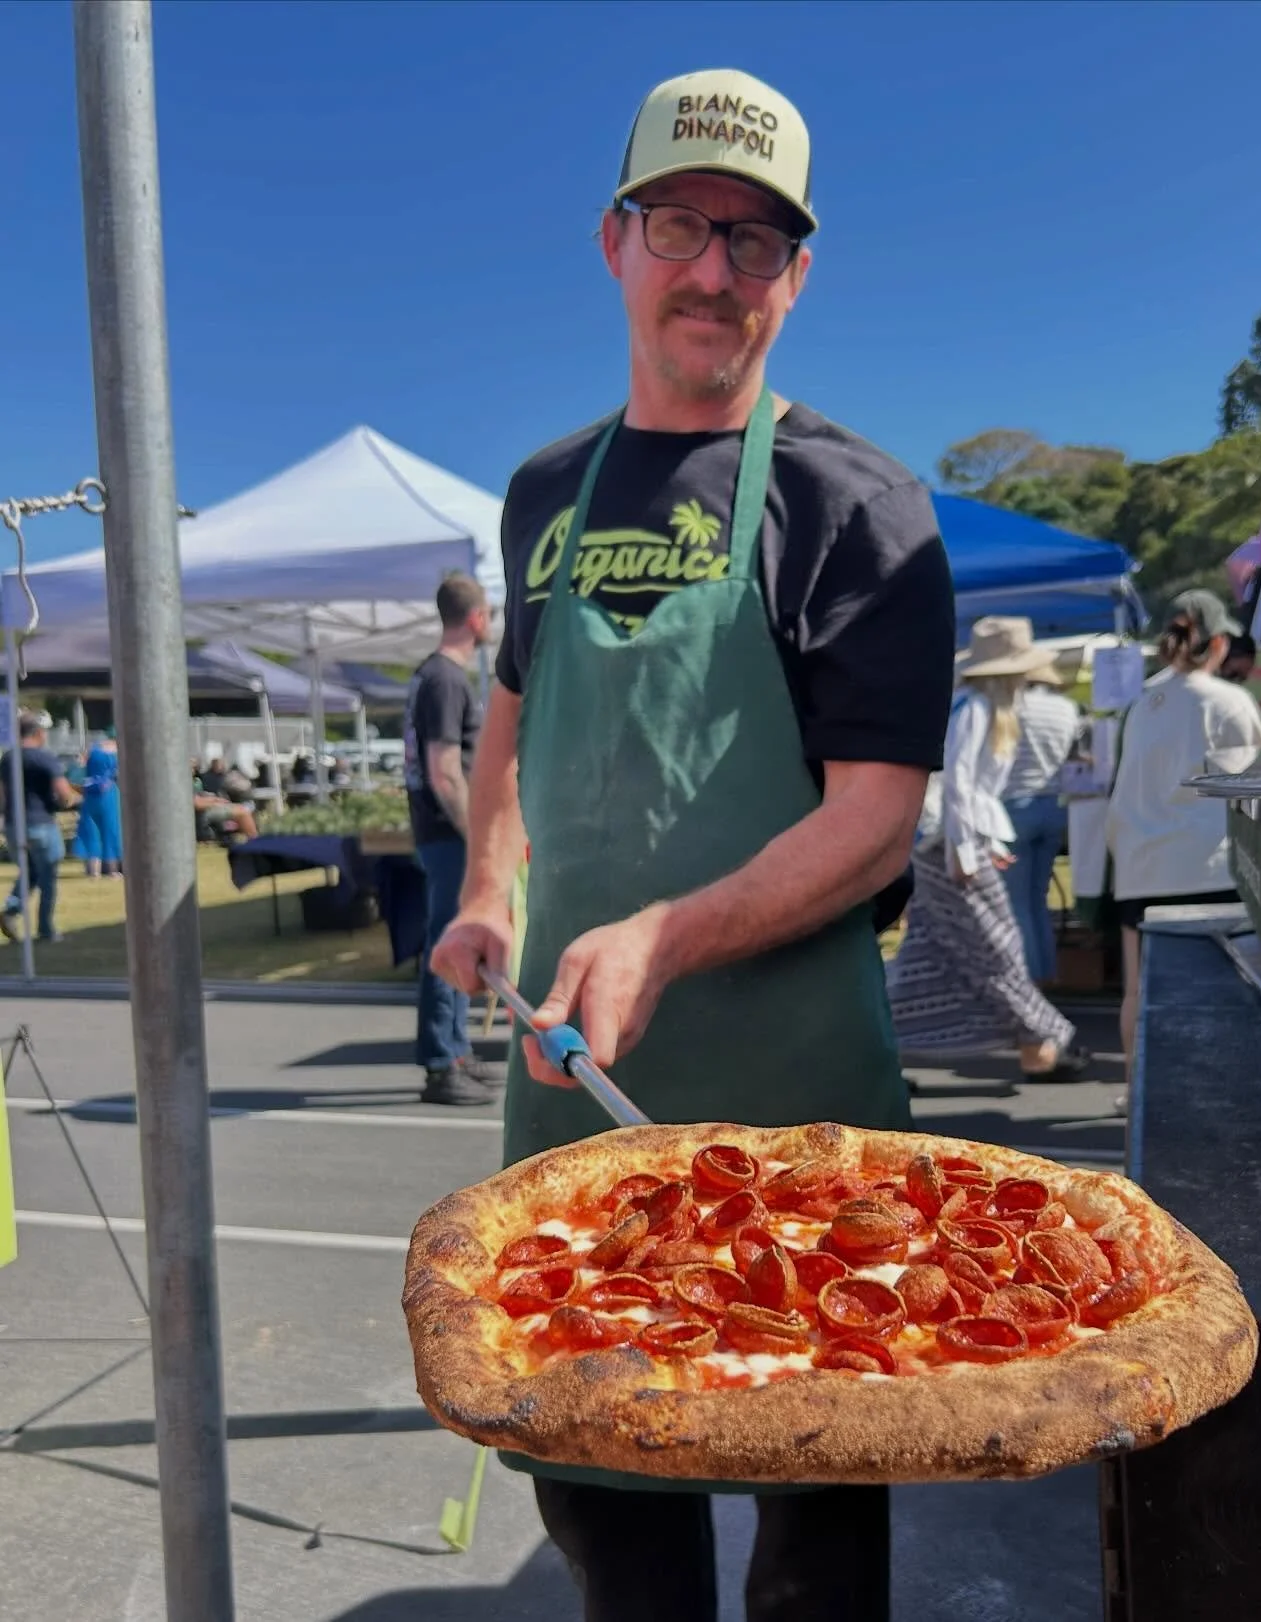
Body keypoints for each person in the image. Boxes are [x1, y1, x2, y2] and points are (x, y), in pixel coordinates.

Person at [430, 67, 953, 1622]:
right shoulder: (544, 494)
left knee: (814, 1540)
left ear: (800, 274)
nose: (715, 271)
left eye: (757, 241)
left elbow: (874, 824)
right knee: (609, 1518)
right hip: (579, 1123)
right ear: (615, 240)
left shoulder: (859, 504)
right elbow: (510, 727)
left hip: (805, 1132)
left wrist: (657, 935)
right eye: (680, 226)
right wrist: (485, 888)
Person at [887, 618, 1088, 1078]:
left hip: (950, 844)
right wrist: (967, 850)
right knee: (994, 947)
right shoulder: (976, 709)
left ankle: (881, 1051)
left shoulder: (980, 708)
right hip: (946, 847)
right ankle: (1042, 1039)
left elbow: (968, 791)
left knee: (932, 953)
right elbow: (959, 786)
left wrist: (980, 843)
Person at [1106, 590, 1261, 1074]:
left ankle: (1137, 1089)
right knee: (1229, 988)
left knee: (1138, 990)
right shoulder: (1228, 701)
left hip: (1141, 865)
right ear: (1218, 643)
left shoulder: (1142, 702)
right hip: (1210, 865)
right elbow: (1256, 787)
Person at [404, 573, 500, 1107]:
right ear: (476, 618)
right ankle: (442, 1062)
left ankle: (455, 1052)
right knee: (450, 944)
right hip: (449, 833)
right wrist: (479, 838)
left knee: (456, 941)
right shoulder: (445, 679)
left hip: (439, 832)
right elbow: (444, 772)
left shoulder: (434, 676)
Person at [1000, 661, 1080, 984]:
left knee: (1016, 903)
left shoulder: (1011, 707)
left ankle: (1028, 983)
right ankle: (1046, 973)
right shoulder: (1066, 708)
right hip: (1053, 805)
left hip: (1014, 806)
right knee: (1037, 900)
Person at [0, 712, 79, 943]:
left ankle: (11, 909)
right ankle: (46, 929)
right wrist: (71, 801)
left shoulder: (8, 758)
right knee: (47, 878)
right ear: (38, 733)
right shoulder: (45, 759)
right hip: (42, 823)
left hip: (15, 825)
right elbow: (64, 793)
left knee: (30, 872)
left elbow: (2, 795)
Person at [72, 730, 123, 878]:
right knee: (110, 830)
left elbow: (80, 770)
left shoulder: (92, 749)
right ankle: (113, 870)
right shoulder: (116, 751)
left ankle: (94, 871)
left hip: (90, 793)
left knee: (92, 832)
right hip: (109, 793)